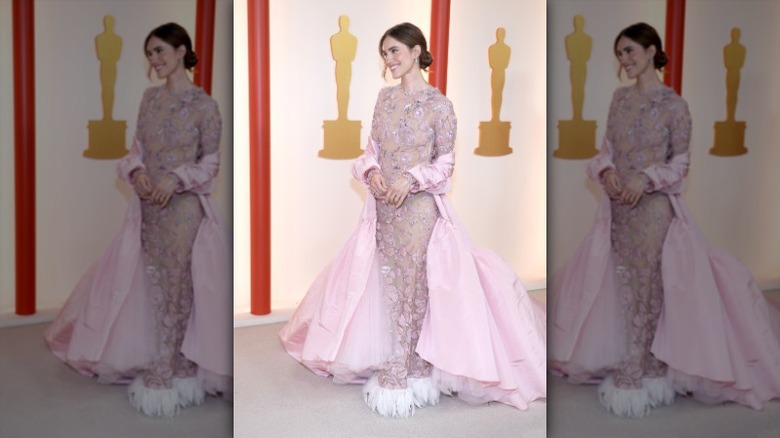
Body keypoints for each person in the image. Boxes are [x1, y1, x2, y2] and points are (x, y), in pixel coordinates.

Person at [279, 22, 546, 418]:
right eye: (384, 53)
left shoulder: (440, 105)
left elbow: (445, 165)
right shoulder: (384, 100)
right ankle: (403, 360)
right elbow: (370, 150)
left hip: (419, 210)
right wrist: (372, 173)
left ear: (417, 51)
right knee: (386, 285)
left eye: (395, 51)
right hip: (383, 207)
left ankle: (407, 369)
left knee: (414, 285)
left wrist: (410, 178)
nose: (389, 60)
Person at [550, 22, 780, 418]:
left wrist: (646, 178)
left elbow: (681, 164)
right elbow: (605, 150)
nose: (625, 60)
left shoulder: (675, 105)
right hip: (618, 208)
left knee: (650, 287)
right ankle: (635, 361)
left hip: (654, 211)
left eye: (630, 51)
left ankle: (645, 369)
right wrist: (607, 172)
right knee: (621, 286)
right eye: (620, 54)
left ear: (653, 51)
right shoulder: (619, 100)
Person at [45, 22, 232, 418]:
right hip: (149, 208)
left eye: (161, 51)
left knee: (180, 287)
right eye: (150, 54)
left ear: (182, 51)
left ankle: (175, 369)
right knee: (152, 284)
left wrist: (175, 179)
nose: (155, 60)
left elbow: (211, 165)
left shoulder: (205, 106)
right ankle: (166, 363)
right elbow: (136, 151)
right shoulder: (149, 99)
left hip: (183, 212)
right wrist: (139, 173)